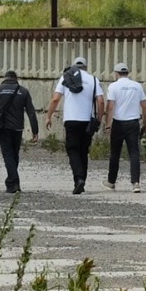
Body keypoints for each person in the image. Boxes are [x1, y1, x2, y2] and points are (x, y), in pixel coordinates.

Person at [45, 56, 104, 194]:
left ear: (74, 66)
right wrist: (99, 119)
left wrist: (48, 116)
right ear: (86, 67)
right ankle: (82, 179)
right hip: (87, 120)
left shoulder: (66, 77)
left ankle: (78, 179)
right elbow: (101, 101)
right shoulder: (93, 79)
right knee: (83, 150)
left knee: (72, 149)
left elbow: (55, 99)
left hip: (71, 119)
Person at [0, 70, 38, 193]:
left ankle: (14, 181)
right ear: (16, 79)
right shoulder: (23, 91)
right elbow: (31, 112)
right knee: (14, 154)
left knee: (8, 155)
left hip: (4, 128)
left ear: (5, 78)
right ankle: (12, 182)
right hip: (18, 128)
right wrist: (35, 131)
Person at [104, 62, 146, 192]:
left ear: (116, 73)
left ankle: (111, 181)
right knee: (134, 152)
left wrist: (107, 125)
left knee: (115, 153)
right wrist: (145, 122)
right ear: (127, 73)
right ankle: (136, 183)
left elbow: (110, 107)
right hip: (133, 122)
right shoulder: (137, 86)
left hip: (118, 122)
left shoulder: (113, 86)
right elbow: (145, 106)